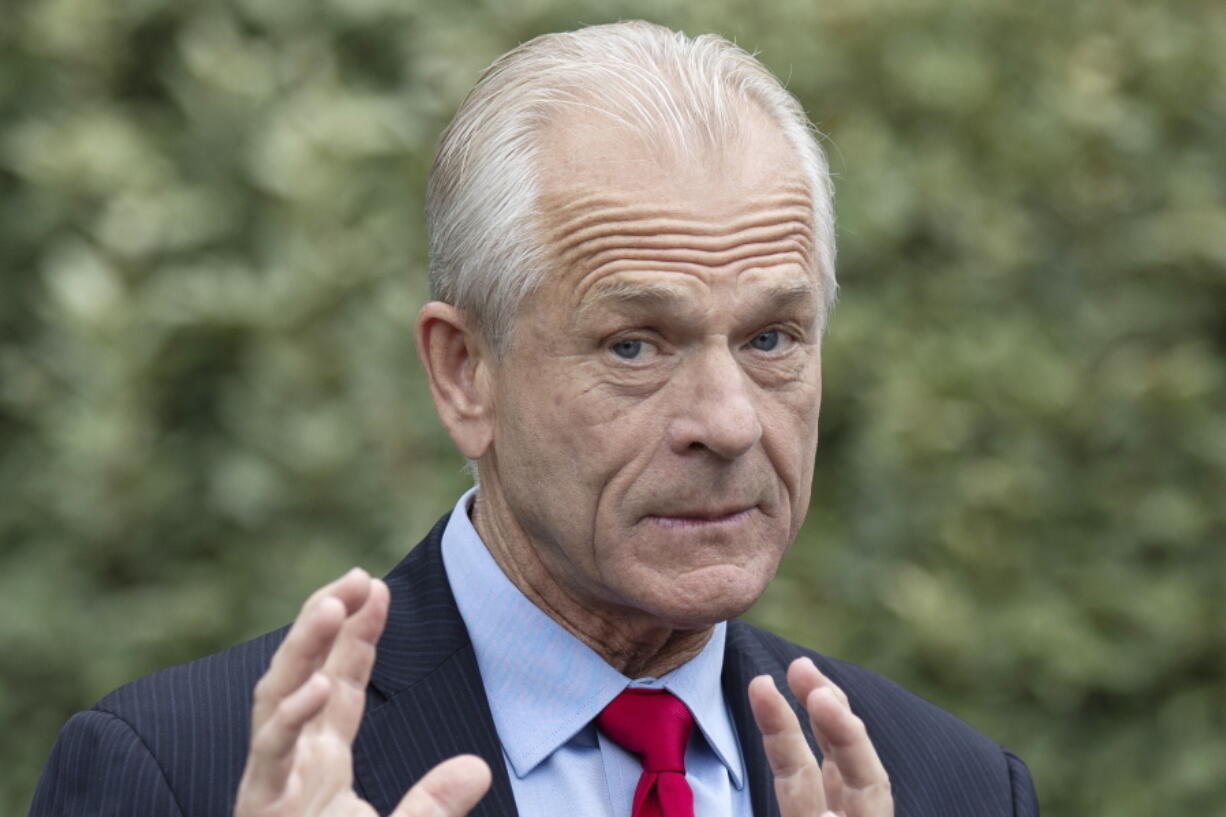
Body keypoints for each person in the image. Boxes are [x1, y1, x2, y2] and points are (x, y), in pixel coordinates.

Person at [30, 20, 1039, 817]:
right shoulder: (180, 771)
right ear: (464, 372)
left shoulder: (951, 786)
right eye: (634, 344)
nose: (727, 422)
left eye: (771, 338)